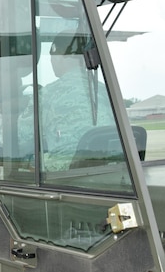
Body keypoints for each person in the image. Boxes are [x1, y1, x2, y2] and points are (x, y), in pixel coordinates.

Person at [39, 33, 114, 172]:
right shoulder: (105, 91)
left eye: (52, 57)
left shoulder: (48, 94)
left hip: (66, 174)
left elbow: (22, 137)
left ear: (60, 57)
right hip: (109, 167)